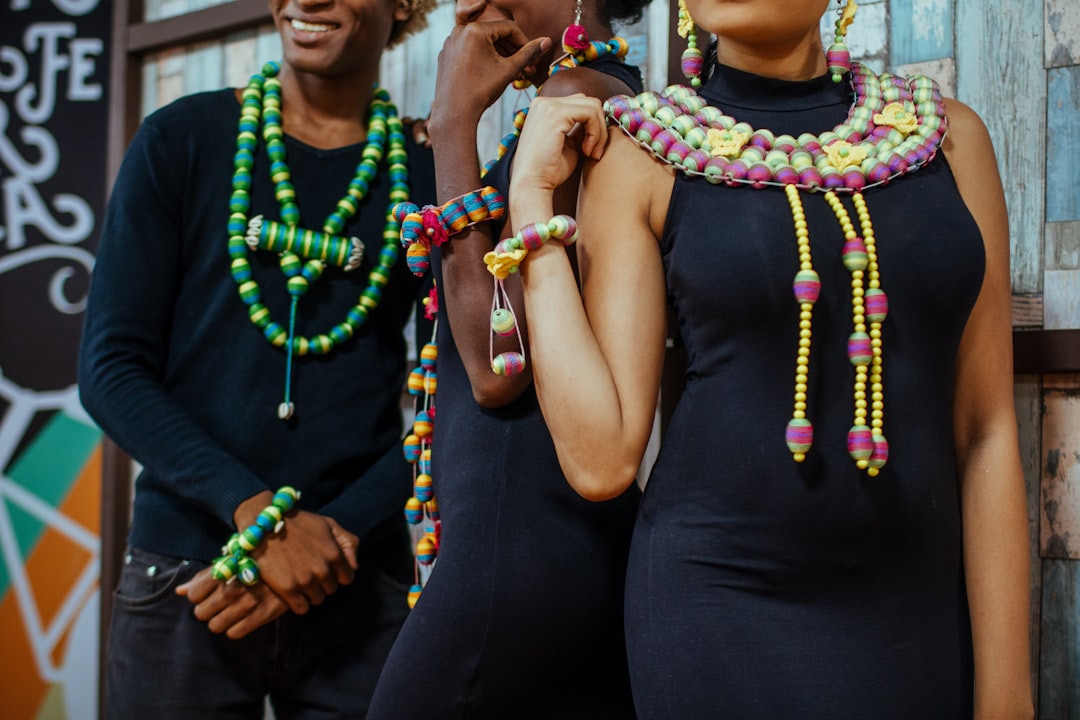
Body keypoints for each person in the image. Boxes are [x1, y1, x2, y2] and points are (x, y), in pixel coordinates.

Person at [504, 0, 1034, 717]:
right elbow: (601, 461)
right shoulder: (645, 151)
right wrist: (532, 206)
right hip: (719, 603)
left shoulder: (946, 138)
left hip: (915, 617)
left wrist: (1010, 695)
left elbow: (987, 430)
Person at [77, 0, 438, 716]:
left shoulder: (425, 175)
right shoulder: (181, 138)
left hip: (360, 580)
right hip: (190, 574)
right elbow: (111, 369)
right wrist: (262, 520)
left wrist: (333, 540)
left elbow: (454, 395)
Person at [365, 1, 650, 718]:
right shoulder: (590, 98)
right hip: (548, 548)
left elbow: (498, 367)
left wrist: (452, 121)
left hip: (517, 546)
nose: (465, 6)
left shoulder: (579, 100)